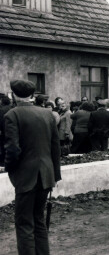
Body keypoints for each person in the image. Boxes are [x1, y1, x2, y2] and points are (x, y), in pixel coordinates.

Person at [3, 79, 61, 255]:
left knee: (24, 222)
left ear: (13, 95)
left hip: (25, 177)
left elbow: (12, 149)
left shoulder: (12, 115)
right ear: (31, 95)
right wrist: (55, 175)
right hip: (46, 175)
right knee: (39, 220)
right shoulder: (47, 114)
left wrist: (9, 168)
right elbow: (55, 147)